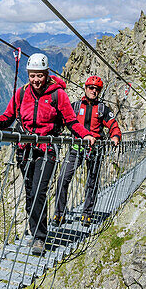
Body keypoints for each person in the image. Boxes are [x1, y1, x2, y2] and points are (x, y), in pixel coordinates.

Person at [0, 53, 93, 255]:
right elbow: (9, 116)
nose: (36, 80)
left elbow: (71, 121)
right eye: (32, 76)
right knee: (30, 193)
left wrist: (85, 135)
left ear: (46, 74)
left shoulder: (57, 95)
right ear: (28, 75)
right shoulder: (21, 94)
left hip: (47, 148)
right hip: (25, 149)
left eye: (39, 76)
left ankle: (39, 237)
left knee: (38, 192)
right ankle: (34, 230)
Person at [51, 75, 121, 226]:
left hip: (95, 149)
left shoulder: (103, 109)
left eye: (96, 89)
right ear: (85, 88)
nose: (93, 91)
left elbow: (113, 124)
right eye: (91, 88)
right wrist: (52, 133)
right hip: (76, 148)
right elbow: (63, 121)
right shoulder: (75, 107)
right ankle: (59, 213)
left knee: (92, 182)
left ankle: (87, 213)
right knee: (63, 178)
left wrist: (115, 136)